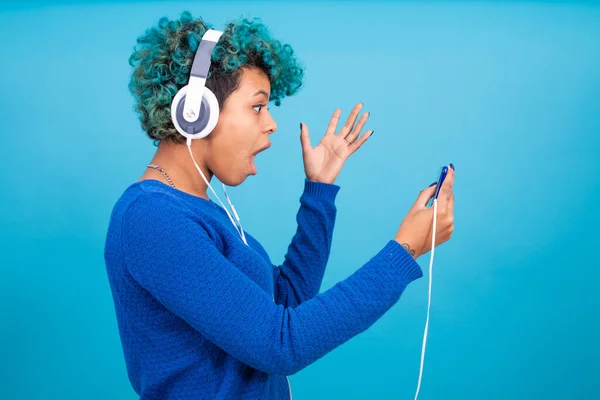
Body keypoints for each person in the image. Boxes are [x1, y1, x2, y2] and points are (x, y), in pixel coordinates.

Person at [103, 10, 455, 400]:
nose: (271, 124)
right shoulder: (152, 219)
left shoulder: (200, 209)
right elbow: (279, 343)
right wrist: (404, 251)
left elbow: (285, 301)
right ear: (195, 111)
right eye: (257, 106)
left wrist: (319, 192)